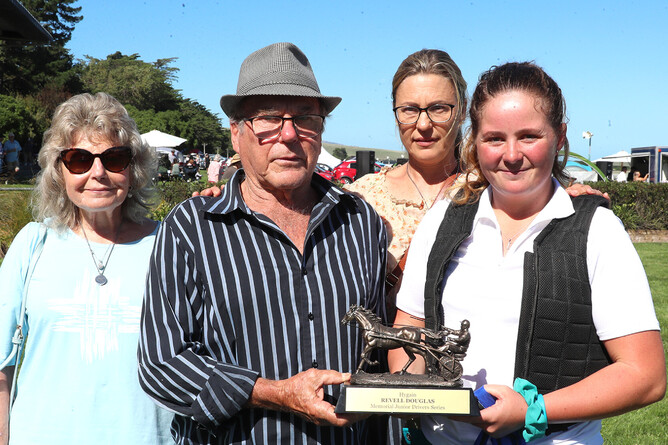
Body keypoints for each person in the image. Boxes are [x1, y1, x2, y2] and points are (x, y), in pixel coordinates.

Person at [389, 62, 665, 444]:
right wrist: (411, 390)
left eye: (529, 136)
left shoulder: (596, 230)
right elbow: (412, 330)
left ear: (560, 136)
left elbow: (645, 375)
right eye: (494, 138)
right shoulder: (442, 220)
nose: (512, 154)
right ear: (474, 141)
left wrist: (535, 410)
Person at [138, 42, 387, 444]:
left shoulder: (360, 222)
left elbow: (379, 357)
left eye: (305, 117)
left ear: (321, 130)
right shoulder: (192, 228)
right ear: (236, 134)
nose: (288, 135)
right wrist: (274, 393)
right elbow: (161, 366)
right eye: (269, 118)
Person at [0, 93, 173, 444]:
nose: (98, 173)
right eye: (79, 159)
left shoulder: (170, 245)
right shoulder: (33, 245)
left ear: (133, 168)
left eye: (114, 158)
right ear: (59, 169)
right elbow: (1, 368)